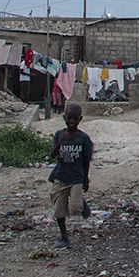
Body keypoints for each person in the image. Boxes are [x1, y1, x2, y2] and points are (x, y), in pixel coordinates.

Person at [48, 103, 93, 249]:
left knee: (75, 208)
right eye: (69, 118)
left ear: (80, 119)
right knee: (59, 209)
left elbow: (86, 160)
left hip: (76, 177)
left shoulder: (84, 139)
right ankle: (63, 236)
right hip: (60, 177)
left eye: (75, 118)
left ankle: (81, 203)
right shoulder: (59, 135)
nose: (72, 121)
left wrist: (85, 179)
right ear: (64, 118)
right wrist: (59, 144)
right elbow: (52, 155)